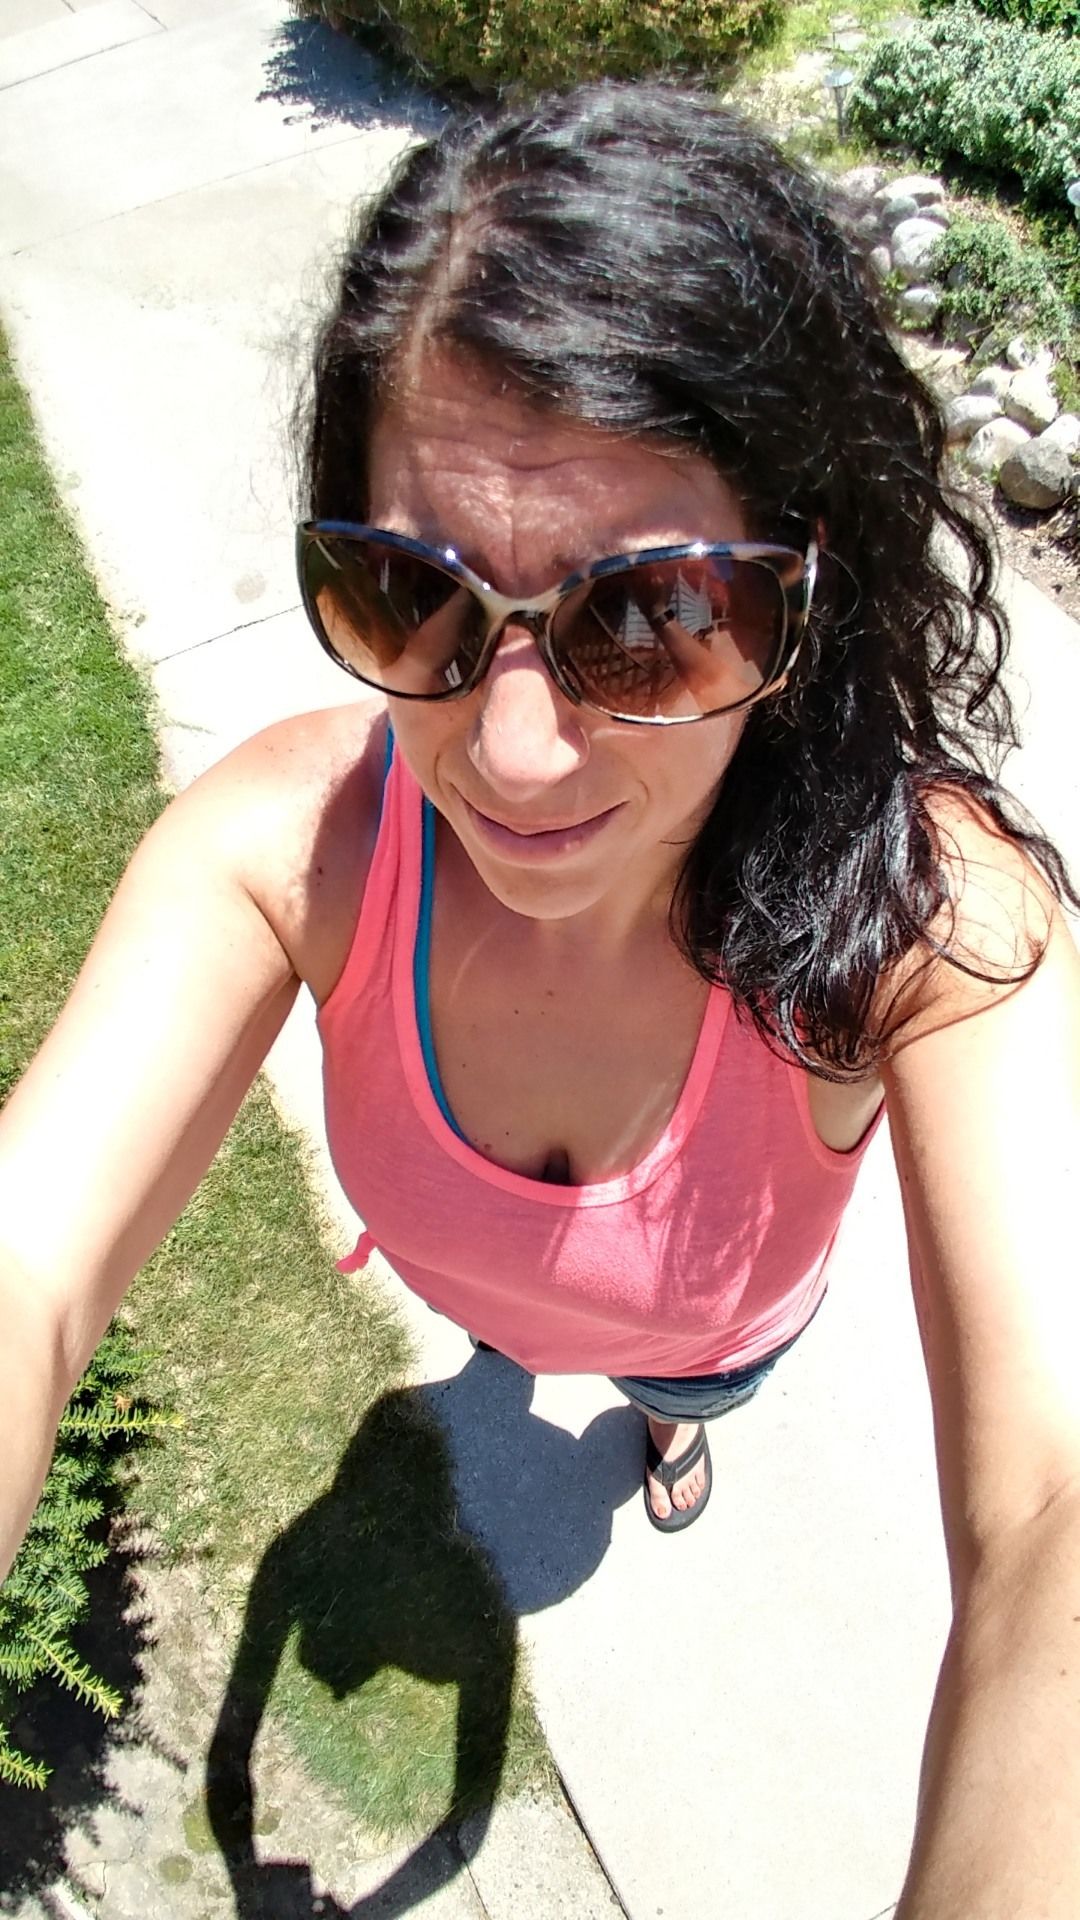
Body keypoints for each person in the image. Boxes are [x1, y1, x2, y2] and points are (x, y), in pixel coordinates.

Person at [2, 78, 1080, 1911]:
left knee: (686, 1381)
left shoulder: (930, 923)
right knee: (525, 1334)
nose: (509, 752)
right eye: (406, 593)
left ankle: (671, 1419)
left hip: (709, 1329)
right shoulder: (287, 849)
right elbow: (25, 1260)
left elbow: (1055, 1506)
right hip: (485, 1293)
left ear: (804, 588)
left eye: (646, 616)